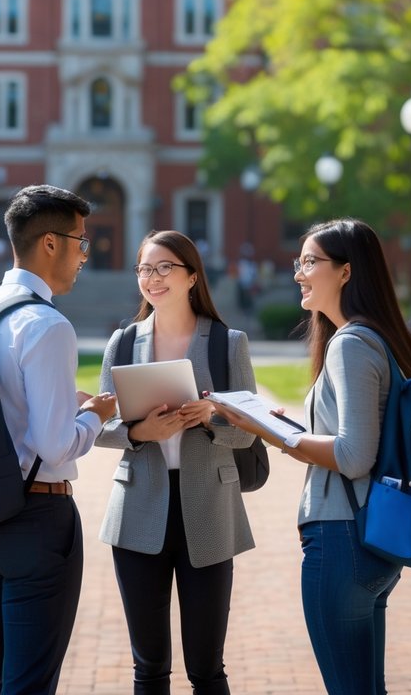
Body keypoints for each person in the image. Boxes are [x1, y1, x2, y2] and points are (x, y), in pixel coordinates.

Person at [220, 218, 411, 695]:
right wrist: (287, 428)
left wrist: (267, 432)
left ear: (346, 272)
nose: (298, 272)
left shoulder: (350, 345)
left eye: (310, 262)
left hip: (342, 537)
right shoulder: (382, 338)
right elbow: (359, 438)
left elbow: (354, 456)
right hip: (372, 538)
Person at [0, 184, 118, 695]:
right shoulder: (47, 324)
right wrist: (94, 415)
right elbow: (54, 445)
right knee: (29, 683)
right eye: (80, 242)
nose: (83, 256)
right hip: (36, 516)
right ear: (50, 243)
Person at [96, 230, 258, 695]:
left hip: (209, 509)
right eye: (145, 269)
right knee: (148, 667)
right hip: (138, 511)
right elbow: (100, 427)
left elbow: (247, 433)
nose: (153, 278)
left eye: (165, 267)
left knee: (207, 667)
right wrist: (139, 432)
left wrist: (210, 417)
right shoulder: (123, 343)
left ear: (191, 276)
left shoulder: (228, 343)